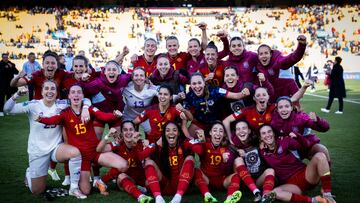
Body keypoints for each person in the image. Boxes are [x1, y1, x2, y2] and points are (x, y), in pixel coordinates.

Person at [36, 84, 128, 196]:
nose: (76, 94)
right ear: (69, 96)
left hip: (95, 151)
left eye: (79, 92)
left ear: (83, 96)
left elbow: (103, 116)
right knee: (85, 191)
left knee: (123, 165)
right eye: (73, 92)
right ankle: (82, 180)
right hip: (81, 157)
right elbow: (53, 120)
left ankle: (101, 181)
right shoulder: (65, 113)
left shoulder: (89, 109)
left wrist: (114, 115)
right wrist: (41, 119)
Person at [3, 81, 89, 198]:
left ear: (57, 92)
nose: (50, 91)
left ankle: (73, 188)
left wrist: (85, 108)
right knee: (38, 190)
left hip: (56, 148)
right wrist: (17, 95)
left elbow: (85, 99)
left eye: (53, 89)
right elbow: (7, 109)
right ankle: (29, 173)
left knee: (75, 153)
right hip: (38, 151)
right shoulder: (33, 105)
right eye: (47, 89)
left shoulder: (62, 104)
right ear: (42, 92)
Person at [259, 124, 336, 203]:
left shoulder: (284, 141)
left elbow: (304, 146)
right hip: (291, 185)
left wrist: (298, 137)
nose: (267, 135)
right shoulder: (262, 151)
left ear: (274, 133)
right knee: (274, 193)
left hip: (305, 175)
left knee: (320, 156)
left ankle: (327, 193)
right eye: (264, 133)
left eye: (269, 132)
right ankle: (315, 200)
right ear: (261, 138)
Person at [223, 82, 310, 143]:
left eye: (264, 95)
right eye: (258, 95)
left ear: (268, 97)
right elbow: (226, 121)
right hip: (253, 143)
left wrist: (304, 87)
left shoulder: (273, 107)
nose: (261, 97)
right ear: (254, 98)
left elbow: (293, 99)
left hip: (270, 142)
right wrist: (230, 138)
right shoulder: (246, 110)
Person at [94, 122, 155, 203]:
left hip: (141, 179)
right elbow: (99, 150)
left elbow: (148, 162)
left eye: (131, 129)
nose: (128, 132)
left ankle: (138, 188)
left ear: (135, 131)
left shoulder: (142, 143)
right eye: (125, 130)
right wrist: (107, 135)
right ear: (122, 133)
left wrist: (144, 146)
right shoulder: (118, 143)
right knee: (121, 175)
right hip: (125, 178)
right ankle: (140, 196)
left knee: (151, 184)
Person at [141, 121, 196, 203]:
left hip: (182, 184)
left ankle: (178, 197)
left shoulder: (184, 143)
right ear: (164, 134)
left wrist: (201, 140)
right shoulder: (159, 145)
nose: (171, 133)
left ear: (178, 133)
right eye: (167, 130)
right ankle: (158, 198)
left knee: (190, 158)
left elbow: (200, 150)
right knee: (148, 164)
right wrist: (154, 145)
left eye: (174, 130)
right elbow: (142, 156)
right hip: (165, 185)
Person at [191, 121, 243, 203]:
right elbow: (197, 150)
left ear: (224, 135)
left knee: (236, 176)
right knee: (196, 171)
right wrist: (201, 142)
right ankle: (207, 196)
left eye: (221, 131)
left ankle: (229, 198)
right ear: (210, 132)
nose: (218, 133)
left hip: (221, 180)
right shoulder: (205, 143)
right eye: (215, 130)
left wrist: (225, 161)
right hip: (206, 179)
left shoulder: (225, 148)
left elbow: (226, 171)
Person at [184, 72, 250, 136]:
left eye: (199, 83)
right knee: (190, 136)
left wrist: (244, 93)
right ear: (191, 85)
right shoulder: (189, 96)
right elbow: (189, 117)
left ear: (204, 83)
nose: (197, 86)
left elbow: (236, 96)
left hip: (217, 122)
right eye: (194, 84)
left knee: (223, 141)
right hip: (200, 123)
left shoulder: (214, 90)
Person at [272, 96, 331, 162]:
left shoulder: (300, 117)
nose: (284, 109)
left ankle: (328, 171)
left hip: (306, 145)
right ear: (277, 109)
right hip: (290, 149)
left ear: (291, 108)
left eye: (287, 106)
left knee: (321, 149)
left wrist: (317, 120)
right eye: (280, 107)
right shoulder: (274, 121)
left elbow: (325, 128)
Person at [230, 120, 276, 202]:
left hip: (258, 180)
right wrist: (237, 150)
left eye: (244, 128)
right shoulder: (233, 145)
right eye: (238, 129)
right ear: (235, 132)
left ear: (249, 130)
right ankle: (255, 192)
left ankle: (265, 197)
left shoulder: (257, 142)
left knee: (270, 170)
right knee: (238, 160)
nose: (241, 131)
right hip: (244, 181)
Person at [256, 35, 307, 101]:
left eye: (266, 53)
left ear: (271, 54)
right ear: (258, 56)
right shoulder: (256, 64)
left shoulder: (278, 61)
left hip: (284, 101)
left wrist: (301, 45)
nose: (263, 56)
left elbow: (293, 58)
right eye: (261, 54)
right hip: (268, 102)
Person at [123, 67, 158, 133]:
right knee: (128, 135)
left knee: (152, 133)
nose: (139, 78)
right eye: (136, 75)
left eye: (141, 75)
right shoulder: (126, 87)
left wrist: (178, 97)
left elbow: (164, 94)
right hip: (128, 117)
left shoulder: (151, 88)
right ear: (132, 78)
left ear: (145, 78)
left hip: (144, 117)